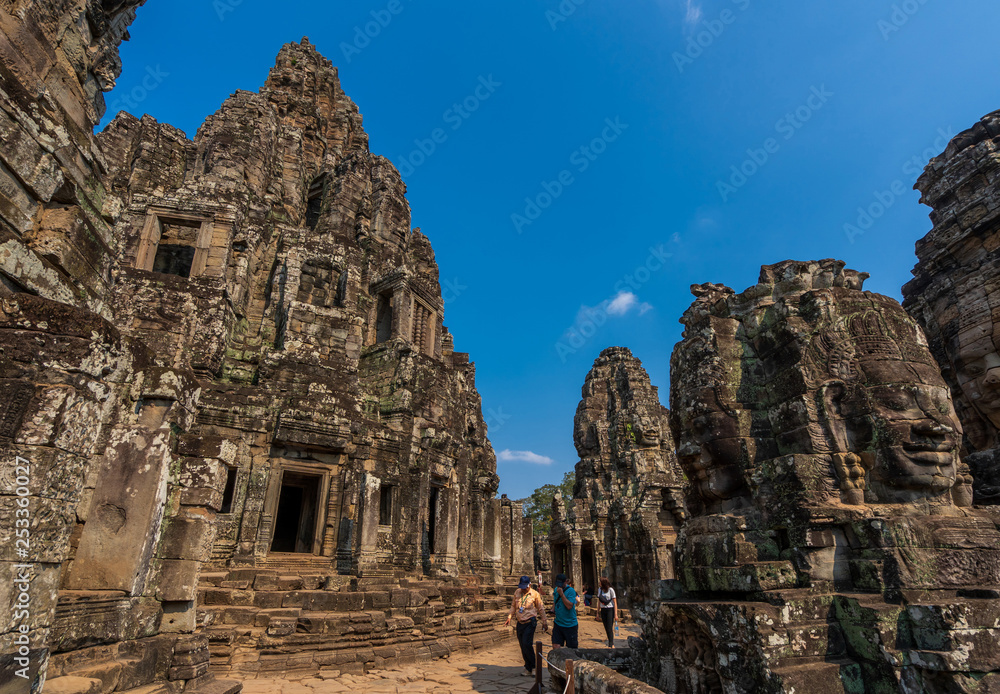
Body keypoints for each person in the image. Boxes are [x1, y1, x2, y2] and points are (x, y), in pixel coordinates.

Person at [504, 575, 548, 677]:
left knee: (527, 643)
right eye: (522, 587)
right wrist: (509, 616)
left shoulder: (535, 594)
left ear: (530, 585)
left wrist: (544, 621)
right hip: (520, 622)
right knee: (522, 645)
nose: (523, 589)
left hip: (530, 622)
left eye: (525, 587)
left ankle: (533, 666)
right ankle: (527, 667)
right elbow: (513, 606)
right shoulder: (517, 592)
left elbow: (540, 608)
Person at [551, 573, 579, 649]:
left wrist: (562, 594)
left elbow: (569, 606)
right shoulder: (556, 590)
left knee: (571, 649)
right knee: (555, 645)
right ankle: (558, 660)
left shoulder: (571, 591)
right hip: (558, 623)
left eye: (561, 584)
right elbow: (555, 601)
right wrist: (553, 609)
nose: (559, 586)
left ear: (566, 582)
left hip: (570, 624)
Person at [597, 577, 619, 648]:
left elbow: (615, 602)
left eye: (600, 582)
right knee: (606, 627)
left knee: (609, 627)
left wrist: (616, 614)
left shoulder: (610, 590)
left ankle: (611, 643)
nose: (599, 583)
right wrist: (597, 612)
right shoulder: (599, 590)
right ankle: (610, 641)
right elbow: (599, 601)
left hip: (610, 609)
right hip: (603, 610)